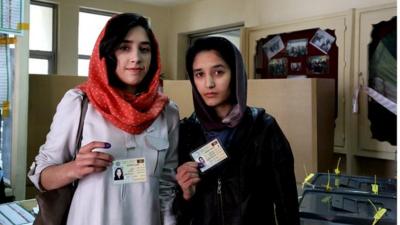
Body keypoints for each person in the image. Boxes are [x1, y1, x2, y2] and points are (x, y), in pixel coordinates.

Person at [28, 13, 179, 225]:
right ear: (108, 53)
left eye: (144, 49)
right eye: (124, 48)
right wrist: (74, 168)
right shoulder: (80, 103)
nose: (136, 57)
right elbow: (41, 175)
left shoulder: (166, 112)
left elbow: (166, 183)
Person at [173, 37, 299, 225]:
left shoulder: (264, 128)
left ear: (236, 73)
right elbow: (179, 213)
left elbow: (286, 204)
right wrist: (185, 195)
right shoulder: (187, 131)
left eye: (218, 72)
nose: (208, 84)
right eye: (199, 74)